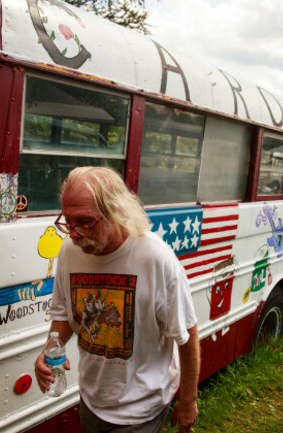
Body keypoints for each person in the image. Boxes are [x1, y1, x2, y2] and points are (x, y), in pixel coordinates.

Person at [34, 166, 200, 433]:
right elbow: (64, 314)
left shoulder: (156, 258)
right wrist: (50, 347)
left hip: (140, 411)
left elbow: (187, 334)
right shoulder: (69, 250)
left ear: (116, 211)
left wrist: (188, 401)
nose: (74, 233)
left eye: (85, 222)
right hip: (90, 400)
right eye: (68, 221)